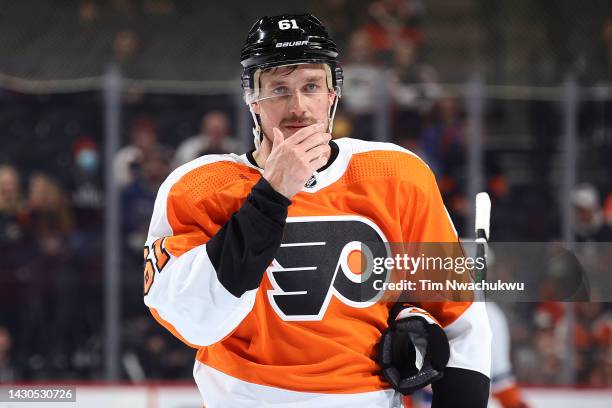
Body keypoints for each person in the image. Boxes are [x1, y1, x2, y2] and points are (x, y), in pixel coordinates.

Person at [143, 14, 490, 407]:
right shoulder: (198, 187)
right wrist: (271, 195)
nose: (298, 107)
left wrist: (410, 311)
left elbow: (459, 316)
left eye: (311, 86)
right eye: (278, 89)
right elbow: (194, 321)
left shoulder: (397, 175)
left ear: (333, 92)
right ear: (251, 98)